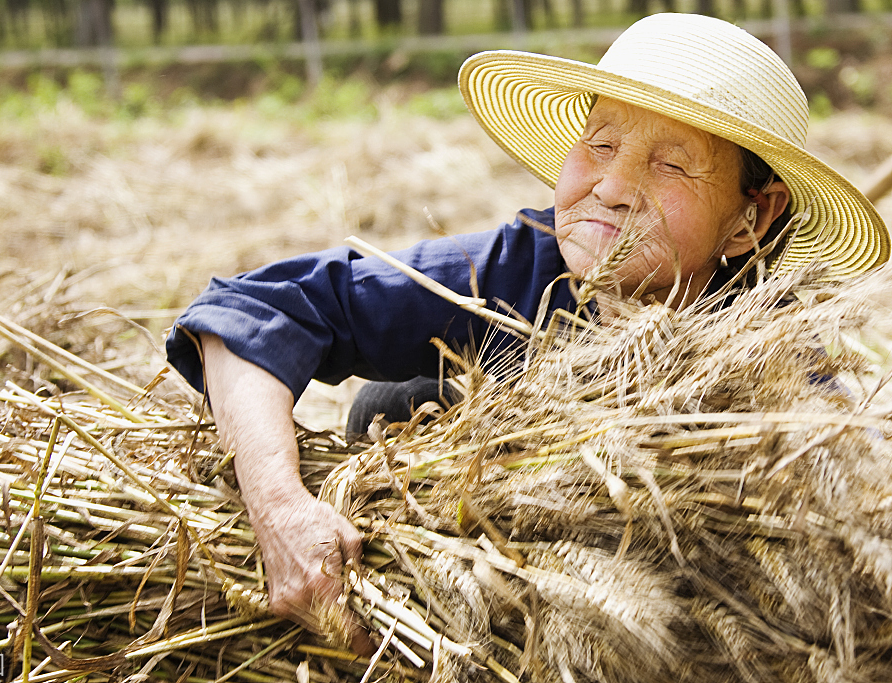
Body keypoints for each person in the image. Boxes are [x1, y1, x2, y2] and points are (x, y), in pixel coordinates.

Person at [166, 13, 890, 649]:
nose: (610, 187)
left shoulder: (779, 376)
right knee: (395, 406)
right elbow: (255, 310)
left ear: (752, 217)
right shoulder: (524, 265)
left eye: (670, 164)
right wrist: (280, 506)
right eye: (600, 145)